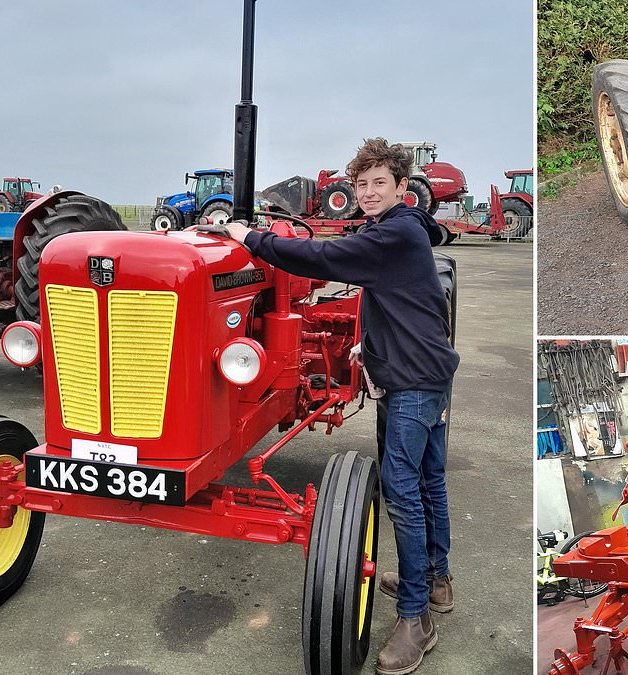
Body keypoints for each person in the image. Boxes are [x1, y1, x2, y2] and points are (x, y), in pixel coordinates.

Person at [225, 138, 459, 675]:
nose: (369, 192)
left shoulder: (393, 234)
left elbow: (321, 256)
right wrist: (369, 342)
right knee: (429, 481)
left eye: (381, 183)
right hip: (422, 370)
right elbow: (394, 296)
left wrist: (251, 238)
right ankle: (437, 581)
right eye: (362, 184)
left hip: (413, 382)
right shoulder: (401, 231)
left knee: (401, 492)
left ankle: (417, 619)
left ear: (403, 188)